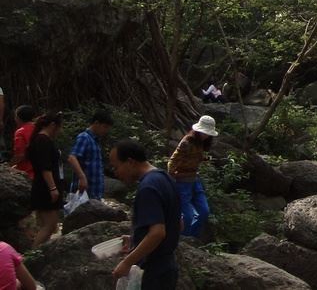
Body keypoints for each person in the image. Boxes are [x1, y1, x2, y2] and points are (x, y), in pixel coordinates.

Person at [109, 139, 181, 289]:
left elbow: (157, 233)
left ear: (130, 162)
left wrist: (126, 263)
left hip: (153, 270)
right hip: (168, 268)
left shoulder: (147, 188)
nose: (116, 173)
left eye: (116, 167)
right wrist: (136, 238)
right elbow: (178, 224)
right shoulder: (165, 178)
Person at [167, 115, 217, 238]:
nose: (206, 135)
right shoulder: (186, 142)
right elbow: (172, 161)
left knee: (204, 211)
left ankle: (192, 238)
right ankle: (183, 240)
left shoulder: (201, 143)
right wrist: (171, 177)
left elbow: (194, 157)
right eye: (204, 132)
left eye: (207, 133)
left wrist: (204, 159)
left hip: (195, 179)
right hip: (182, 182)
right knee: (188, 216)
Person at [27, 112, 65, 248]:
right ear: (53, 125)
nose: (60, 131)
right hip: (45, 187)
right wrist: (52, 188)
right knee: (49, 225)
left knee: (50, 225)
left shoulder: (42, 140)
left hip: (47, 186)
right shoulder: (42, 140)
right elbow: (45, 167)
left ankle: (39, 254)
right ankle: (31, 256)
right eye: (60, 127)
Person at [66, 109, 114, 200]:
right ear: (96, 123)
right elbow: (72, 158)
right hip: (83, 191)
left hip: (94, 191)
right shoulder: (84, 137)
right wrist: (82, 177)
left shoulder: (95, 141)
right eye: (105, 127)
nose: (106, 130)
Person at [10, 106, 36, 178]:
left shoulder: (20, 132)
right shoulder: (38, 128)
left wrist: (9, 165)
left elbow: (20, 155)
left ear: (18, 118)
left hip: (27, 171)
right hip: (41, 169)